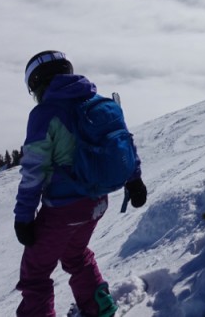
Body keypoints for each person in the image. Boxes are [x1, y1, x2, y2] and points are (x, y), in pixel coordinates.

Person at [14, 51, 148, 317]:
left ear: (39, 83)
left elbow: (34, 170)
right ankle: (99, 307)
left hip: (63, 209)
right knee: (76, 255)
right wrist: (135, 181)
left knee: (35, 273)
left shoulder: (45, 113)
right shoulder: (100, 103)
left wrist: (24, 217)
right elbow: (125, 143)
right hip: (97, 203)